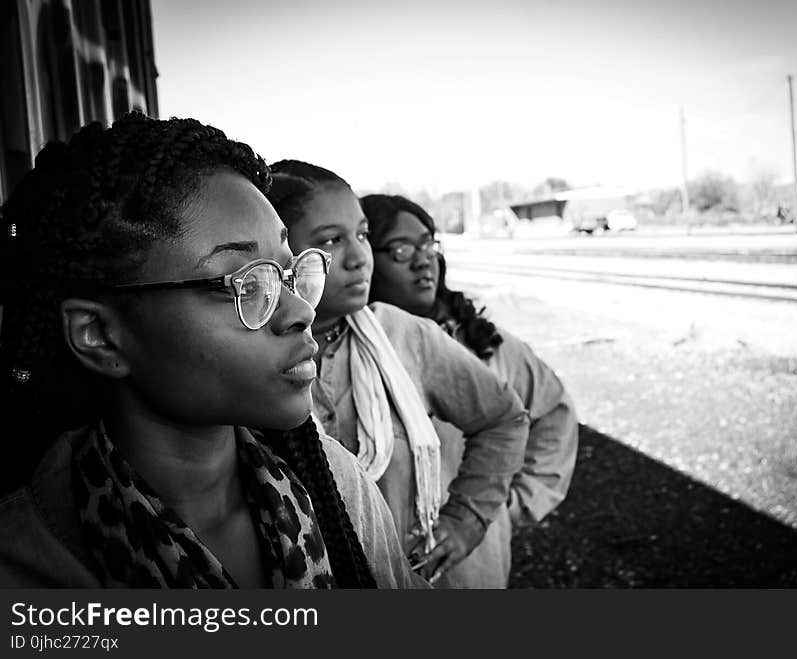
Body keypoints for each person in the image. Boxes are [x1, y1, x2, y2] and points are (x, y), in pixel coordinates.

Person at [0, 114, 425, 589]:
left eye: (287, 273)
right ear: (98, 333)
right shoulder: (27, 566)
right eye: (244, 283)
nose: (300, 312)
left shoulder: (333, 484)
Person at [265, 161, 530, 587]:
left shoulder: (402, 335)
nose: (358, 257)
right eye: (332, 240)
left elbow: (504, 419)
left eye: (364, 235)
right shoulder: (249, 356)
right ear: (280, 252)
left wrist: (465, 521)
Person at [361, 193, 578, 587]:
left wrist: (508, 505)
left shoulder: (485, 346)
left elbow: (553, 413)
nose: (423, 258)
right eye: (402, 248)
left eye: (429, 243)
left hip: (473, 573)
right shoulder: (346, 357)